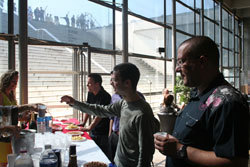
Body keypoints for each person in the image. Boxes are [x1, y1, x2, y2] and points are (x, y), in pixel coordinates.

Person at [154, 36, 249, 167]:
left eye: (181, 62)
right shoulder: (198, 93)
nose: (177, 69)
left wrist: (180, 149)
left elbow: (236, 162)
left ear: (202, 62)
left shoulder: (227, 102)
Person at [61, 63, 160, 167]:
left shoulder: (142, 113)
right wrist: (74, 102)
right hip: (118, 162)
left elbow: (145, 153)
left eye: (114, 80)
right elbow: (101, 110)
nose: (111, 83)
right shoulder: (123, 103)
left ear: (127, 83)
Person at [0, 70, 40, 164]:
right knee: (4, 161)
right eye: (13, 81)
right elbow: (2, 115)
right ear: (6, 80)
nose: (15, 84)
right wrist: (29, 106)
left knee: (13, 160)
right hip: (3, 136)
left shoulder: (11, 95)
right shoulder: (1, 95)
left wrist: (23, 117)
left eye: (16, 82)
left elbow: (13, 114)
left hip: (12, 134)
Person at [108, 91, 145, 165]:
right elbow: (111, 117)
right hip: (115, 135)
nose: (111, 83)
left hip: (128, 139)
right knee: (112, 161)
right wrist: (110, 135)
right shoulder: (114, 97)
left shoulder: (139, 97)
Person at [79, 73, 111, 157]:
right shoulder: (90, 93)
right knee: (93, 152)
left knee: (102, 153)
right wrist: (83, 123)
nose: (87, 85)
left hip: (103, 130)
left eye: (89, 83)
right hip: (94, 128)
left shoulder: (105, 96)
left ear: (97, 84)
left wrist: (90, 127)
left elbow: (100, 115)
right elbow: (88, 108)